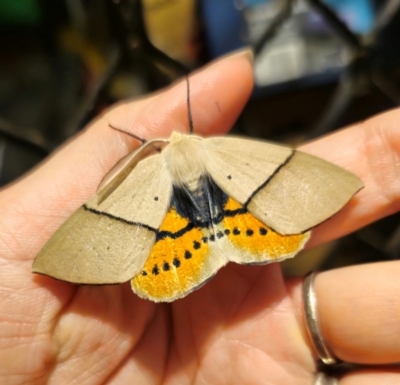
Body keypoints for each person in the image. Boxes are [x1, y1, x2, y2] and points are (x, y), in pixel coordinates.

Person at [0, 50, 399, 385]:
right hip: (234, 213)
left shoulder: (147, 167)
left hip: (175, 234)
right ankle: (236, 235)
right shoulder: (220, 147)